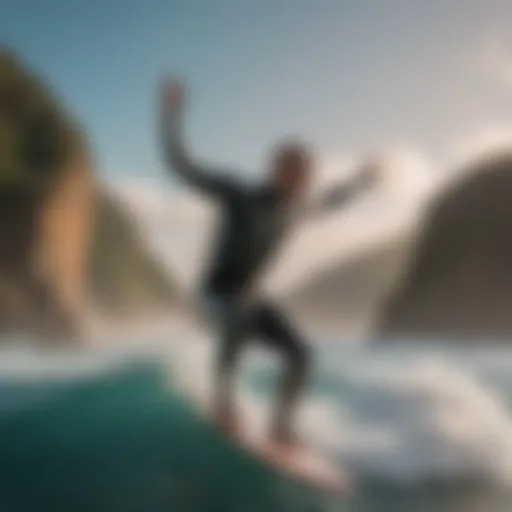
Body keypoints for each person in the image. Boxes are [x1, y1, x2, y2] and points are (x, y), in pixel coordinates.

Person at [158, 78, 378, 448]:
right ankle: (222, 399)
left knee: (302, 354)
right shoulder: (238, 194)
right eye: (295, 171)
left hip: (248, 299)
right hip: (213, 297)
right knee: (239, 316)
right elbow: (183, 167)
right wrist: (171, 116)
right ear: (275, 169)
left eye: (306, 175)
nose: (302, 180)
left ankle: (281, 424)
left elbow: (331, 201)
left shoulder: (296, 211)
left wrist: (361, 183)